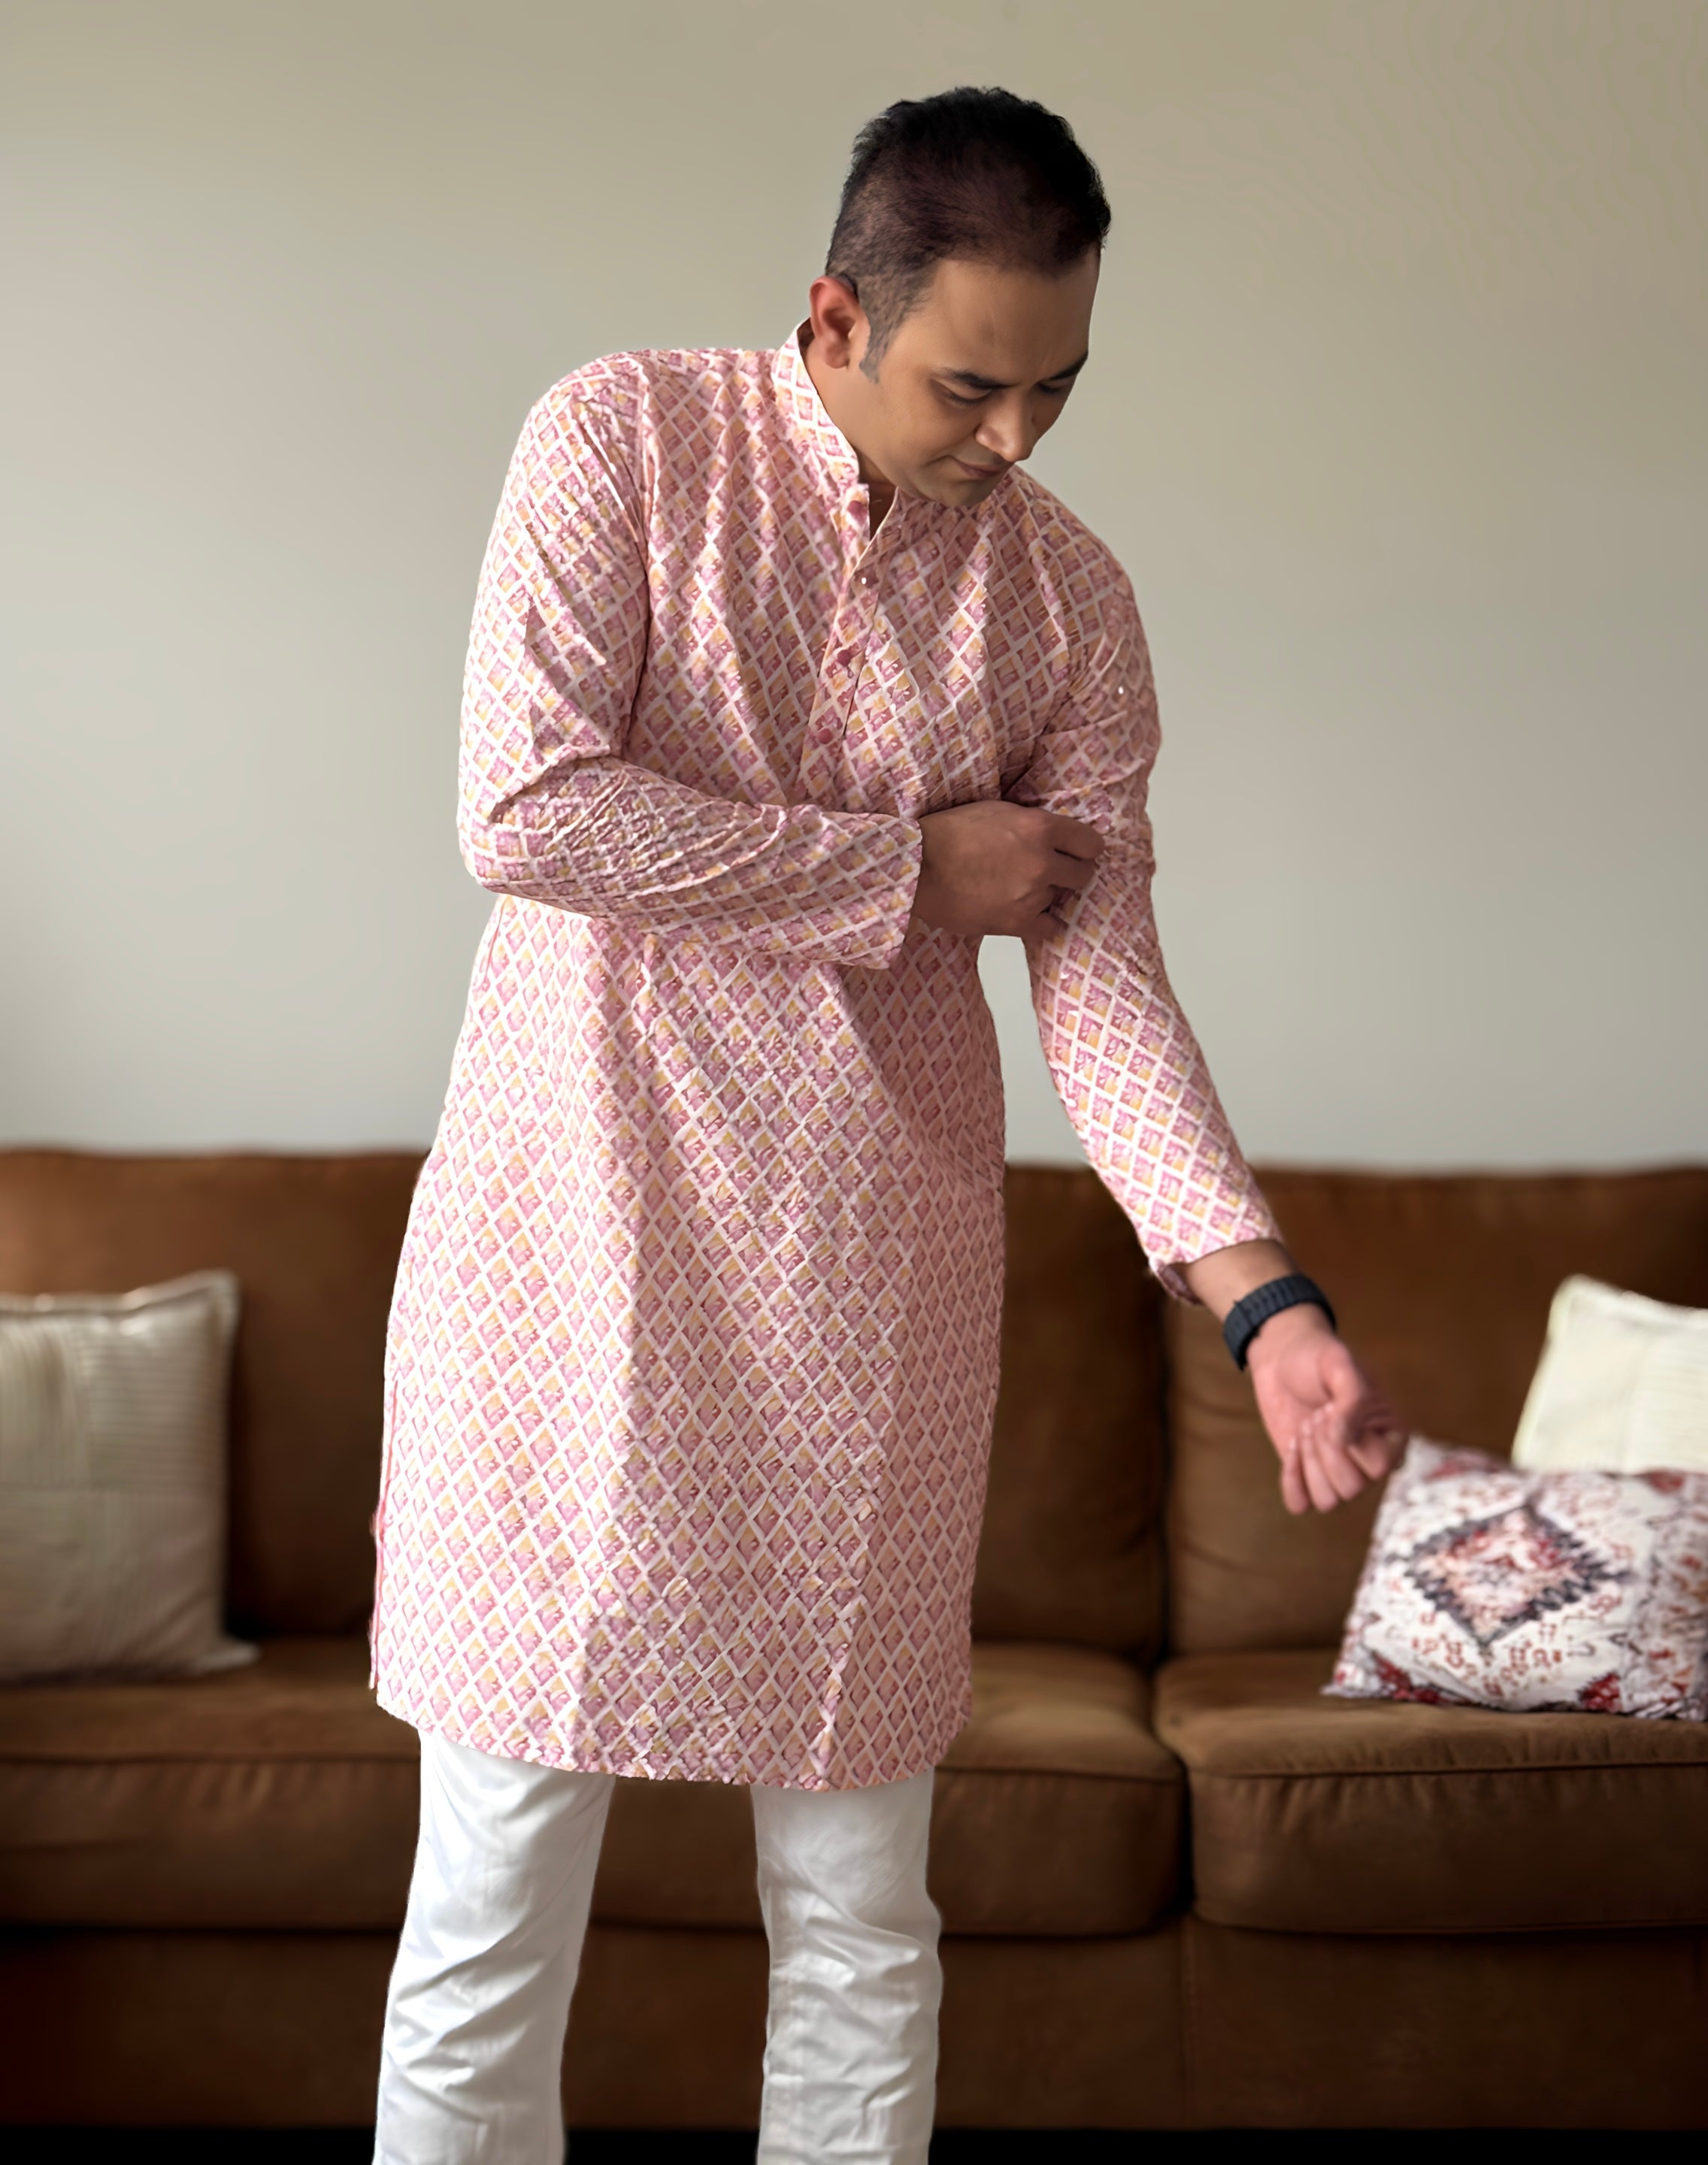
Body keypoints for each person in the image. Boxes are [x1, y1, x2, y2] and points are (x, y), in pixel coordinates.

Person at [370, 84, 1401, 2165]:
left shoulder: (1068, 605)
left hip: (866, 1312)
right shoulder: (622, 444)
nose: (1016, 437)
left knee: (860, 1924)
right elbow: (527, 806)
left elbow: (1104, 979)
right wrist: (909, 872)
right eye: (972, 385)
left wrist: (1261, 1296)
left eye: (1060, 387)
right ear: (837, 316)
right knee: (488, 1918)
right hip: (568, 1275)